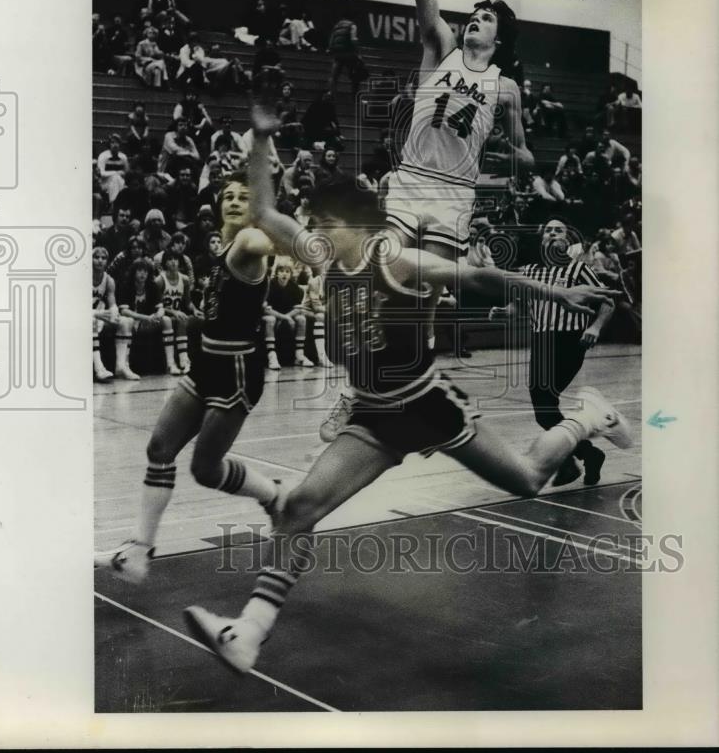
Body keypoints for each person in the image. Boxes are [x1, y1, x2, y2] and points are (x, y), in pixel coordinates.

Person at [180, 108, 631, 674]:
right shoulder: (325, 258)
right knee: (295, 509)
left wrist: (554, 294)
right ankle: (248, 631)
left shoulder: (396, 260)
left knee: (528, 481)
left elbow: (478, 279)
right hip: (372, 415)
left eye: (324, 223)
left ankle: (588, 418)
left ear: (356, 224)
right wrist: (264, 136)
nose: (312, 233)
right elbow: (268, 211)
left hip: (426, 404)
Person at [94, 173, 286, 584]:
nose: (234, 201)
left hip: (235, 372)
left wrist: (267, 220)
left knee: (205, 469)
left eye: (243, 197)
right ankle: (139, 550)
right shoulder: (222, 248)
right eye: (227, 196)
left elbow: (263, 240)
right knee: (159, 447)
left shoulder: (249, 244)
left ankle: (274, 496)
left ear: (255, 208)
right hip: (205, 364)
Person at [384, 0, 534, 344]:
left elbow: (523, 155)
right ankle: (373, 365)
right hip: (413, 177)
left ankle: (419, 362)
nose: (475, 20)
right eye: (474, 15)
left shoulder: (504, 88)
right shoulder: (441, 45)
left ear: (499, 39)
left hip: (454, 191)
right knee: (388, 269)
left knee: (432, 292)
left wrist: (512, 160)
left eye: (486, 18)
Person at [489, 219, 613, 487]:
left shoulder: (579, 269)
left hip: (570, 341)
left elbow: (608, 302)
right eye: (548, 230)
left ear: (567, 239)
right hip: (542, 341)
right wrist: (504, 312)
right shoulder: (531, 272)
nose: (553, 233)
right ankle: (587, 456)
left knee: (545, 403)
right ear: (542, 239)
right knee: (544, 411)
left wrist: (595, 327)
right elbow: (519, 306)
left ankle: (572, 461)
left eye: (559, 229)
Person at [92, 246, 137, 382]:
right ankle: (99, 367)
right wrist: (94, 313)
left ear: (107, 261)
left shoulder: (109, 280)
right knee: (91, 321)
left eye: (103, 258)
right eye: (96, 257)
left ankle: (121, 366)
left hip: (98, 314)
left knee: (126, 322)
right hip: (80, 315)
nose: (100, 261)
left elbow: (112, 304)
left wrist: (114, 312)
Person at [263, 257, 314, 370]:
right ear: (276, 273)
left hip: (287, 315)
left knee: (301, 318)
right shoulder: (270, 285)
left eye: (287, 271)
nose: (284, 274)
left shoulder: (295, 288)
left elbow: (298, 308)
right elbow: (266, 309)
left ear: (291, 274)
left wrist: (287, 317)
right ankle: (272, 356)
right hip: (273, 315)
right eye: (281, 271)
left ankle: (299, 355)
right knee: (270, 319)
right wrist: (284, 317)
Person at [155, 246, 197, 375]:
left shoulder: (184, 279)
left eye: (176, 259)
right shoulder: (159, 280)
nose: (173, 262)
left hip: (176, 314)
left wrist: (195, 310)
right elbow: (157, 305)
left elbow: (188, 303)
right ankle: (171, 363)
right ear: (164, 263)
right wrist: (174, 312)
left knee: (184, 319)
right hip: (162, 314)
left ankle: (184, 361)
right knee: (175, 318)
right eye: (170, 259)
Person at [327, 13, 368, 93]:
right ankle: (354, 96)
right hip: (349, 53)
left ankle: (331, 93)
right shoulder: (352, 25)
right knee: (355, 75)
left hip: (338, 54)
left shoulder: (336, 26)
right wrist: (358, 53)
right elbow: (353, 39)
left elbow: (331, 40)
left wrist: (331, 50)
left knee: (334, 76)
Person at [96, 134, 129, 207]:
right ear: (109, 144)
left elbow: (126, 172)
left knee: (119, 181)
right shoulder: (103, 156)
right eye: (113, 142)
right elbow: (101, 173)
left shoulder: (123, 157)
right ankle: (114, 204)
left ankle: (116, 205)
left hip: (120, 182)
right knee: (115, 179)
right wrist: (116, 173)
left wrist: (121, 175)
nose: (115, 145)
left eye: (117, 143)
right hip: (105, 183)